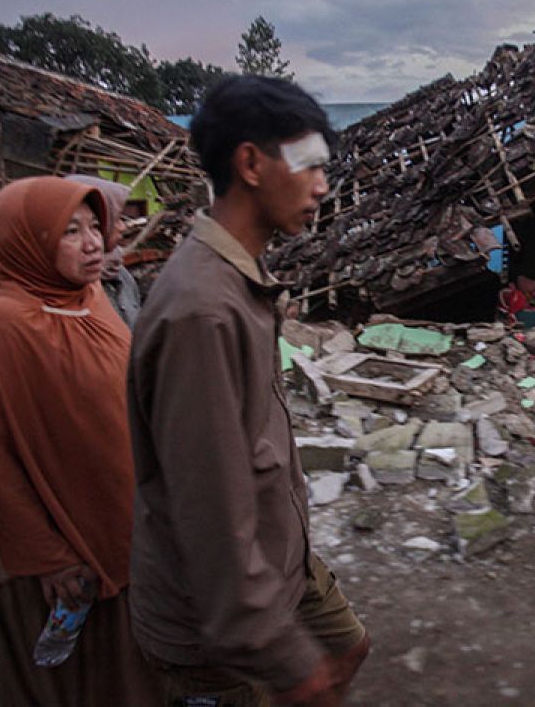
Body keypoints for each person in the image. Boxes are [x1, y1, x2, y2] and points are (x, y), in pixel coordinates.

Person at [127, 75, 370, 706]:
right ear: (251, 163)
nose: (323, 186)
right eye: (309, 164)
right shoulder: (203, 311)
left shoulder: (242, 280)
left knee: (349, 647)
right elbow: (209, 510)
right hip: (215, 622)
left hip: (280, 561)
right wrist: (283, 655)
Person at [0, 176, 159, 706]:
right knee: (72, 682)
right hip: (62, 548)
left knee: (128, 669)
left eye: (95, 227)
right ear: (29, 238)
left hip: (118, 524)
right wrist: (48, 557)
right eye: (70, 231)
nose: (95, 244)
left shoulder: (91, 300)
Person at [66, 174, 142, 329]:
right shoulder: (68, 285)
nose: (123, 226)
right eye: (116, 218)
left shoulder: (121, 275)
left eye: (94, 225)